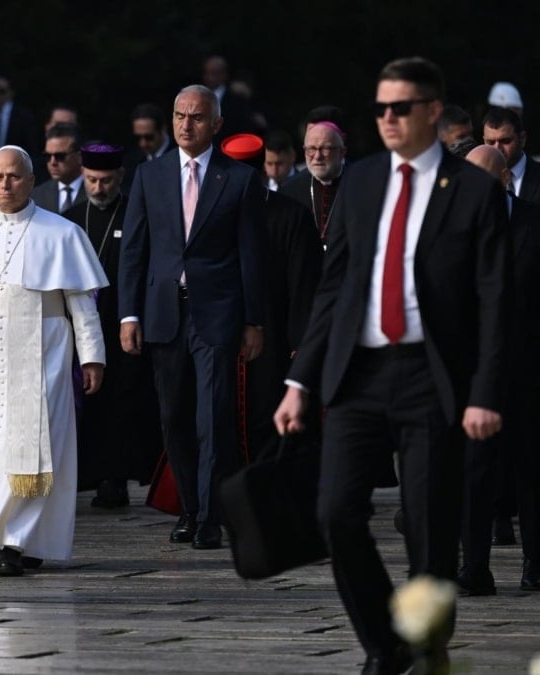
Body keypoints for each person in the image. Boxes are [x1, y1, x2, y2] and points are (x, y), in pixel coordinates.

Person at [274, 57, 508, 673]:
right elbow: (336, 288)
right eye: (379, 108)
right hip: (359, 374)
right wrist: (300, 380)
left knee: (429, 532)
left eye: (399, 108)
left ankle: (426, 647)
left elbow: (493, 300)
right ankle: (386, 643)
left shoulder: (475, 190)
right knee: (335, 511)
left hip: (432, 377)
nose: (387, 119)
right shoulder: (364, 180)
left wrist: (484, 393)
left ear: (432, 110)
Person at [0, 145, 106, 576]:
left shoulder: (62, 233)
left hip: (44, 348)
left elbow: (82, 305)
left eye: (14, 176)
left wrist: (93, 358)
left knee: (41, 443)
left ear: (30, 181)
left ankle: (19, 541)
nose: (5, 184)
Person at [118, 84, 266, 551]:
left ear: (217, 125)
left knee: (213, 417)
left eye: (197, 117)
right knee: (174, 416)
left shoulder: (238, 180)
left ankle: (209, 516)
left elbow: (250, 257)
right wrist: (128, 314)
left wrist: (254, 321)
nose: (186, 124)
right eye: (180, 115)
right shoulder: (149, 175)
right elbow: (134, 251)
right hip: (164, 313)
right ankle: (187, 507)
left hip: (218, 316)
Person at [456, 143, 540, 595]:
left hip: (528, 370)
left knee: (532, 470)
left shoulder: (533, 222)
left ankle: (535, 563)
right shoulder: (451, 227)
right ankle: (475, 567)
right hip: (473, 373)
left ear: (506, 179)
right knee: (475, 472)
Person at [62, 142, 161, 507]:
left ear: (119, 177)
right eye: (91, 180)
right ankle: (84, 475)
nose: (98, 188)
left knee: (122, 401)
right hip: (80, 325)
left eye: (105, 181)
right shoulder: (70, 219)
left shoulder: (135, 214)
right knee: (85, 401)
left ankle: (115, 478)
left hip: (122, 321)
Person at [218, 133, 322, 461]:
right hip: (218, 331)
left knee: (267, 412)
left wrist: (300, 339)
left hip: (273, 331)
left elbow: (303, 281)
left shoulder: (290, 214)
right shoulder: (207, 212)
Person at [281, 121, 347, 240]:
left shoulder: (358, 185)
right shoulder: (289, 190)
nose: (317, 156)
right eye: (311, 149)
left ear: (342, 152)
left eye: (325, 148)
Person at [482, 106, 540, 203]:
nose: (497, 149)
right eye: (491, 142)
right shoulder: (477, 180)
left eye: (505, 141)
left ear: (522, 139)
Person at [32, 123, 85, 212]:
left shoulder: (97, 192)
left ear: (79, 157)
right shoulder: (36, 196)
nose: (52, 162)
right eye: (47, 156)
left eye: (60, 156)